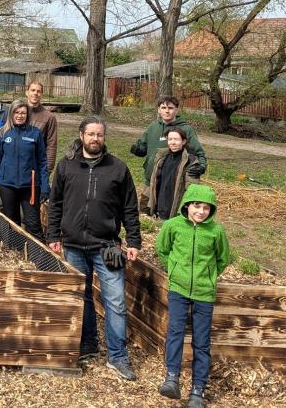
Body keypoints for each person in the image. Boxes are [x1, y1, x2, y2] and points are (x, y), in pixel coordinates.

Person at [47, 116, 142, 381]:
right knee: (83, 297)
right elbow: (55, 203)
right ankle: (88, 343)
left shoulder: (118, 169)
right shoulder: (67, 166)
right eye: (91, 134)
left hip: (108, 246)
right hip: (74, 244)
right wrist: (53, 234)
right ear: (81, 135)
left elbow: (130, 209)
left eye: (100, 135)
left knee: (115, 301)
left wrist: (133, 240)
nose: (95, 139)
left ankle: (118, 356)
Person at [155, 184, 229, 408]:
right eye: (197, 206)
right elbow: (162, 249)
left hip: (204, 293)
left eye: (207, 208)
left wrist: (209, 276)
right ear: (187, 205)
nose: (201, 211)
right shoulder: (173, 226)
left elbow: (222, 259)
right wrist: (174, 269)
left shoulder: (216, 232)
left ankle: (198, 390)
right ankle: (172, 378)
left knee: (202, 341)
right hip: (178, 288)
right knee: (175, 332)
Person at [0, 100, 49, 242]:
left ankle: (41, 258)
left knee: (33, 224)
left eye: (23, 113)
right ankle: (17, 253)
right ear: (11, 114)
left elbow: (42, 162)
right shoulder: (2, 133)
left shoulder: (35, 134)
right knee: (12, 223)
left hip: (30, 186)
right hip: (7, 185)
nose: (20, 116)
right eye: (17, 112)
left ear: (28, 115)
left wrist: (45, 187)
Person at [130, 95, 207, 211]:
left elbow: (199, 152)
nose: (166, 111)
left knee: (167, 212)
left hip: (172, 180)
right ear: (158, 109)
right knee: (146, 211)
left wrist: (201, 165)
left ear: (176, 109)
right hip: (150, 178)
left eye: (170, 108)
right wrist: (138, 150)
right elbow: (144, 148)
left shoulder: (185, 129)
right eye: (163, 107)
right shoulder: (153, 127)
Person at [147, 128, 200, 220]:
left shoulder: (190, 160)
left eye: (176, 139)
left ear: (183, 141)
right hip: (160, 205)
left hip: (175, 208)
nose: (173, 142)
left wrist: (183, 211)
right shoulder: (161, 157)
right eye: (170, 139)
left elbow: (191, 189)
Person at [25, 82, 58, 173]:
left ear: (41, 95)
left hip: (37, 166)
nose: (35, 93)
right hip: (17, 164)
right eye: (33, 90)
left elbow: (51, 144)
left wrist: (48, 169)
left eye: (38, 91)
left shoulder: (49, 117)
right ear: (27, 92)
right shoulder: (17, 113)